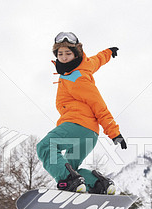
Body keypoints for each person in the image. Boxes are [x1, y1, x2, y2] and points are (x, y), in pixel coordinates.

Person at [37, 31, 127, 194]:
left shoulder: (76, 78)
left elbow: (98, 104)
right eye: (60, 53)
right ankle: (99, 184)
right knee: (71, 168)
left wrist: (114, 132)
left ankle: (68, 181)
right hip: (89, 135)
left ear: (75, 54)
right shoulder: (84, 65)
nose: (63, 57)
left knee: (46, 147)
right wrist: (108, 53)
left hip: (77, 126)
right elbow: (97, 60)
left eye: (68, 53)